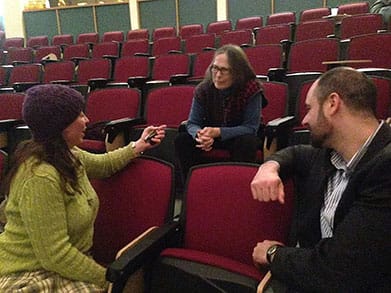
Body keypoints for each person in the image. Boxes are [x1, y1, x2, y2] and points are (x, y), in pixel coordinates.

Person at [0, 84, 166, 292]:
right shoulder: (40, 176)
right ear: (60, 127)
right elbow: (56, 255)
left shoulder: (67, 154)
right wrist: (107, 280)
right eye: (79, 115)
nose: (87, 120)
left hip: (60, 266)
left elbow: (104, 165)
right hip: (28, 271)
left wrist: (138, 145)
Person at [251, 67, 391, 292]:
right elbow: (296, 153)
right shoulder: (332, 152)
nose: (304, 119)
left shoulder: (385, 168)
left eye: (309, 108)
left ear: (332, 104)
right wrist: (269, 167)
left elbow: (338, 269)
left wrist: (273, 253)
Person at [175, 44, 266, 180]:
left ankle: (238, 185)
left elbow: (251, 128)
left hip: (239, 135)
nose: (217, 75)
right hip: (211, 136)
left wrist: (218, 132)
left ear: (237, 72)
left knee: (247, 142)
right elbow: (192, 123)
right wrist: (200, 136)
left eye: (224, 70)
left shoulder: (251, 88)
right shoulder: (204, 89)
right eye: (215, 68)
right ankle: (193, 185)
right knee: (182, 140)